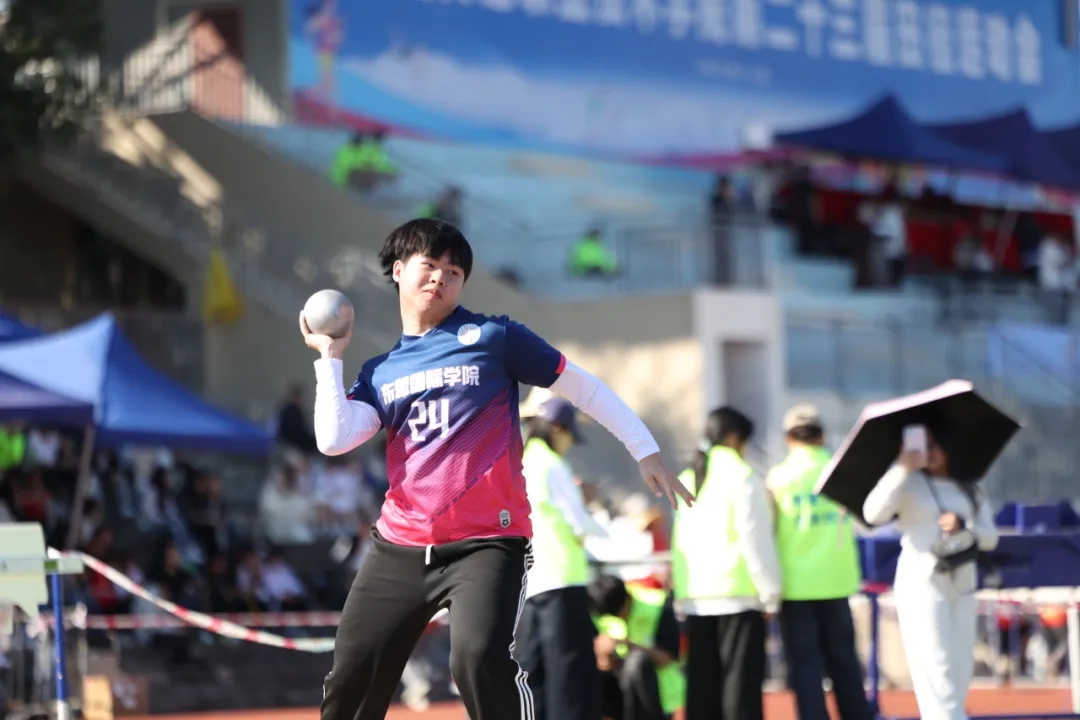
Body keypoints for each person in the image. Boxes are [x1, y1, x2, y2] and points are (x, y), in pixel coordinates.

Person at [301, 218, 693, 720]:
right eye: (429, 264)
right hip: (400, 545)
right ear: (398, 271)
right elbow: (334, 439)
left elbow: (583, 387)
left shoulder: (493, 338)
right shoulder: (380, 371)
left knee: (476, 658)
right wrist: (329, 358)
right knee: (351, 674)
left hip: (486, 543)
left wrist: (645, 449)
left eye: (454, 272)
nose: (440, 277)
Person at [863, 428, 999, 720]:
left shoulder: (969, 487)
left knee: (960, 668)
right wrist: (901, 467)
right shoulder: (907, 481)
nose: (929, 452)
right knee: (935, 667)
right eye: (923, 445)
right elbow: (872, 513)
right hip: (921, 583)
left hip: (962, 582)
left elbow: (990, 537)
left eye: (935, 445)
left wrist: (964, 527)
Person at [670, 406, 780, 720]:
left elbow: (680, 541)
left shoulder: (688, 477)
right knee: (740, 692)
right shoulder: (743, 476)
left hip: (696, 598)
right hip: (738, 596)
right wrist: (770, 592)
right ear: (734, 438)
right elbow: (755, 540)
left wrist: (681, 593)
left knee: (702, 692)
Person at [767, 406, 872, 720]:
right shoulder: (840, 472)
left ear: (788, 438)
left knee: (805, 667)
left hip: (795, 585)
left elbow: (769, 531)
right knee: (845, 662)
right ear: (821, 436)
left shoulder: (779, 478)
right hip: (837, 582)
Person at [516, 396, 609, 720]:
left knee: (534, 670)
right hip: (563, 579)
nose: (569, 444)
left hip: (532, 582)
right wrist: (595, 516)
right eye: (569, 434)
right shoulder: (553, 466)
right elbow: (577, 523)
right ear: (558, 429)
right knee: (569, 673)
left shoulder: (522, 463)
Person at [590, 575, 684, 720]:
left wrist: (627, 644)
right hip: (618, 687)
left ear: (628, 598)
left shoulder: (658, 605)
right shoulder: (600, 610)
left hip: (658, 692)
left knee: (636, 662)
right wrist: (603, 657)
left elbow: (668, 658)